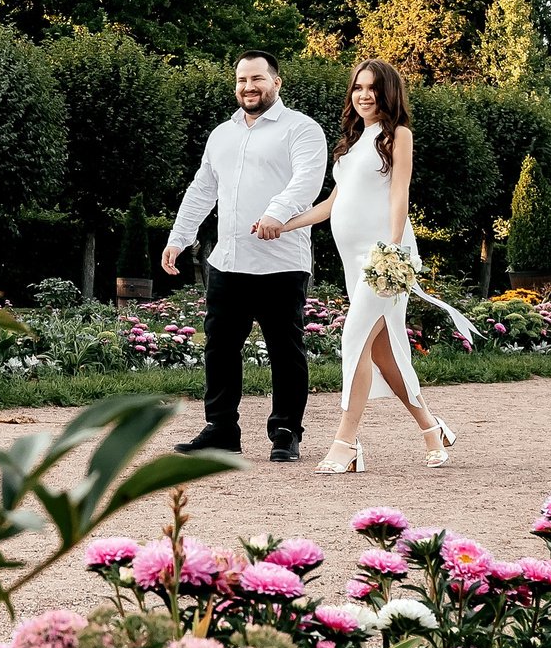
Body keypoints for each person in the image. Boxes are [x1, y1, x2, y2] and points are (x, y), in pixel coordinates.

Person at [260, 57, 462, 472]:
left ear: (388, 92)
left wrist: (393, 250)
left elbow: (398, 195)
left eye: (372, 88)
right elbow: (332, 205)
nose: (364, 95)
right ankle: (431, 427)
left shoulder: (397, 135)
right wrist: (284, 224)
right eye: (357, 87)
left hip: (384, 259)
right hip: (353, 262)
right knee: (384, 353)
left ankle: (345, 442)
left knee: (354, 337)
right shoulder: (352, 144)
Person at [161, 51, 327, 459]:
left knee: (284, 349)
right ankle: (221, 430)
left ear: (276, 82)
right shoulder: (222, 134)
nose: (248, 87)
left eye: (257, 79)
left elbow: (308, 181)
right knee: (219, 347)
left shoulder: (301, 130)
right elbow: (202, 189)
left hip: (281, 260)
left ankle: (286, 431)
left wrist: (276, 213)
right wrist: (178, 237)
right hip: (228, 261)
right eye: (241, 80)